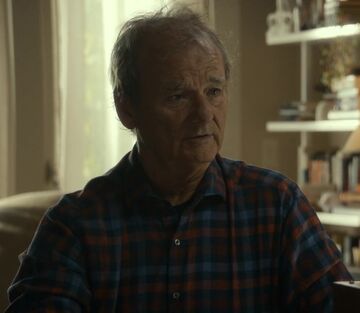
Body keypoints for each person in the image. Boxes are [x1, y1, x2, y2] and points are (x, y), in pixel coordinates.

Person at [6, 6, 352, 313]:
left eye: (213, 92)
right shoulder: (74, 227)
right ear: (127, 108)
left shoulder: (276, 205)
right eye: (177, 96)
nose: (204, 115)